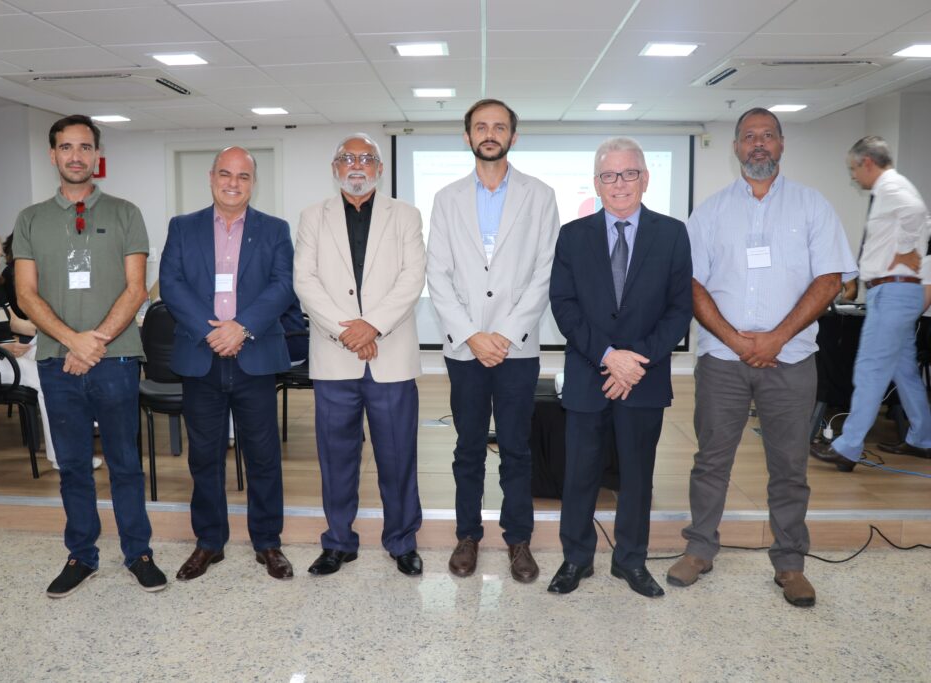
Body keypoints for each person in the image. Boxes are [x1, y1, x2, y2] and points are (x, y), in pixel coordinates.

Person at [668, 108, 856, 607]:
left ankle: (790, 562)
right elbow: (690, 283)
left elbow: (830, 279)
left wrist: (775, 337)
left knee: (790, 465)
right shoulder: (709, 213)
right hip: (722, 361)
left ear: (781, 144)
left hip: (790, 358)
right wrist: (735, 339)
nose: (758, 145)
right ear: (734, 147)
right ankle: (700, 549)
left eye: (767, 136)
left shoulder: (812, 207)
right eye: (749, 136)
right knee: (710, 461)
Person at [13, 114, 166, 598]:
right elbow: (26, 295)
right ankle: (82, 554)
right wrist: (71, 341)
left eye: (84, 147)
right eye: (66, 147)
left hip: (116, 360)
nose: (76, 156)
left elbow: (136, 288)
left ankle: (138, 553)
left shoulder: (125, 213)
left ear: (97, 156)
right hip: (57, 364)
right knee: (74, 466)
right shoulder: (30, 219)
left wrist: (92, 340)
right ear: (53, 155)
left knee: (124, 463)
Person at [546, 138, 693, 597]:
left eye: (629, 173)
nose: (620, 184)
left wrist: (635, 362)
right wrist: (609, 357)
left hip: (644, 380)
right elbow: (564, 306)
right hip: (591, 374)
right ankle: (576, 559)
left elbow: (679, 308)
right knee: (579, 474)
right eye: (609, 175)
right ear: (597, 183)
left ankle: (630, 561)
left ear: (645, 179)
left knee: (637, 475)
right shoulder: (573, 236)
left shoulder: (671, 234)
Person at [426, 99, 561, 583]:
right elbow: (437, 275)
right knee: (467, 447)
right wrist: (472, 335)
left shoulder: (540, 195)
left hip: (516, 348)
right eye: (480, 126)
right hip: (464, 350)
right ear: (467, 136)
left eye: (499, 126)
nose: (490, 133)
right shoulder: (446, 198)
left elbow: (545, 272)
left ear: (513, 136)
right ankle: (468, 535)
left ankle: (518, 539)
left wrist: (502, 334)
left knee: (517, 448)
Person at [160, 146, 295, 582]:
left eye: (243, 176)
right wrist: (212, 332)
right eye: (225, 174)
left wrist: (241, 328)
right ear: (211, 176)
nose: (233, 183)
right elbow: (171, 283)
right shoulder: (183, 227)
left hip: (253, 354)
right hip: (201, 356)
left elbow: (282, 286)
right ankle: (209, 543)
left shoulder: (275, 230)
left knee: (263, 455)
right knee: (205, 457)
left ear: (253, 182)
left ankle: (267, 542)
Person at [294, 133, 426, 577]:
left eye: (367, 158)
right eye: (347, 158)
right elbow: (305, 281)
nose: (357, 165)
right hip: (334, 358)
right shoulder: (313, 217)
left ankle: (402, 541)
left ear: (379, 169)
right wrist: (348, 332)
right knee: (336, 456)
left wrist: (372, 327)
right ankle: (338, 542)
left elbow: (412, 278)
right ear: (335, 168)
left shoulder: (405, 215)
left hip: (390, 354)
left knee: (398, 455)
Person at [811, 136, 931, 470]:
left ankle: (848, 447)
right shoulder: (892, 189)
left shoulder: (893, 188)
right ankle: (923, 438)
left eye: (853, 169)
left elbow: (916, 212)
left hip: (893, 291)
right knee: (903, 371)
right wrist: (911, 248)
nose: (853, 177)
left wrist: (909, 248)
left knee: (870, 368)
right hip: (895, 291)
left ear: (867, 162)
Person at [0, 230, 104, 471]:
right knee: (46, 379)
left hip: (7, 351)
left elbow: (15, 322)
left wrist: (53, 328)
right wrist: (0, 347)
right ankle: (65, 458)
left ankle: (84, 426)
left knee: (58, 359)